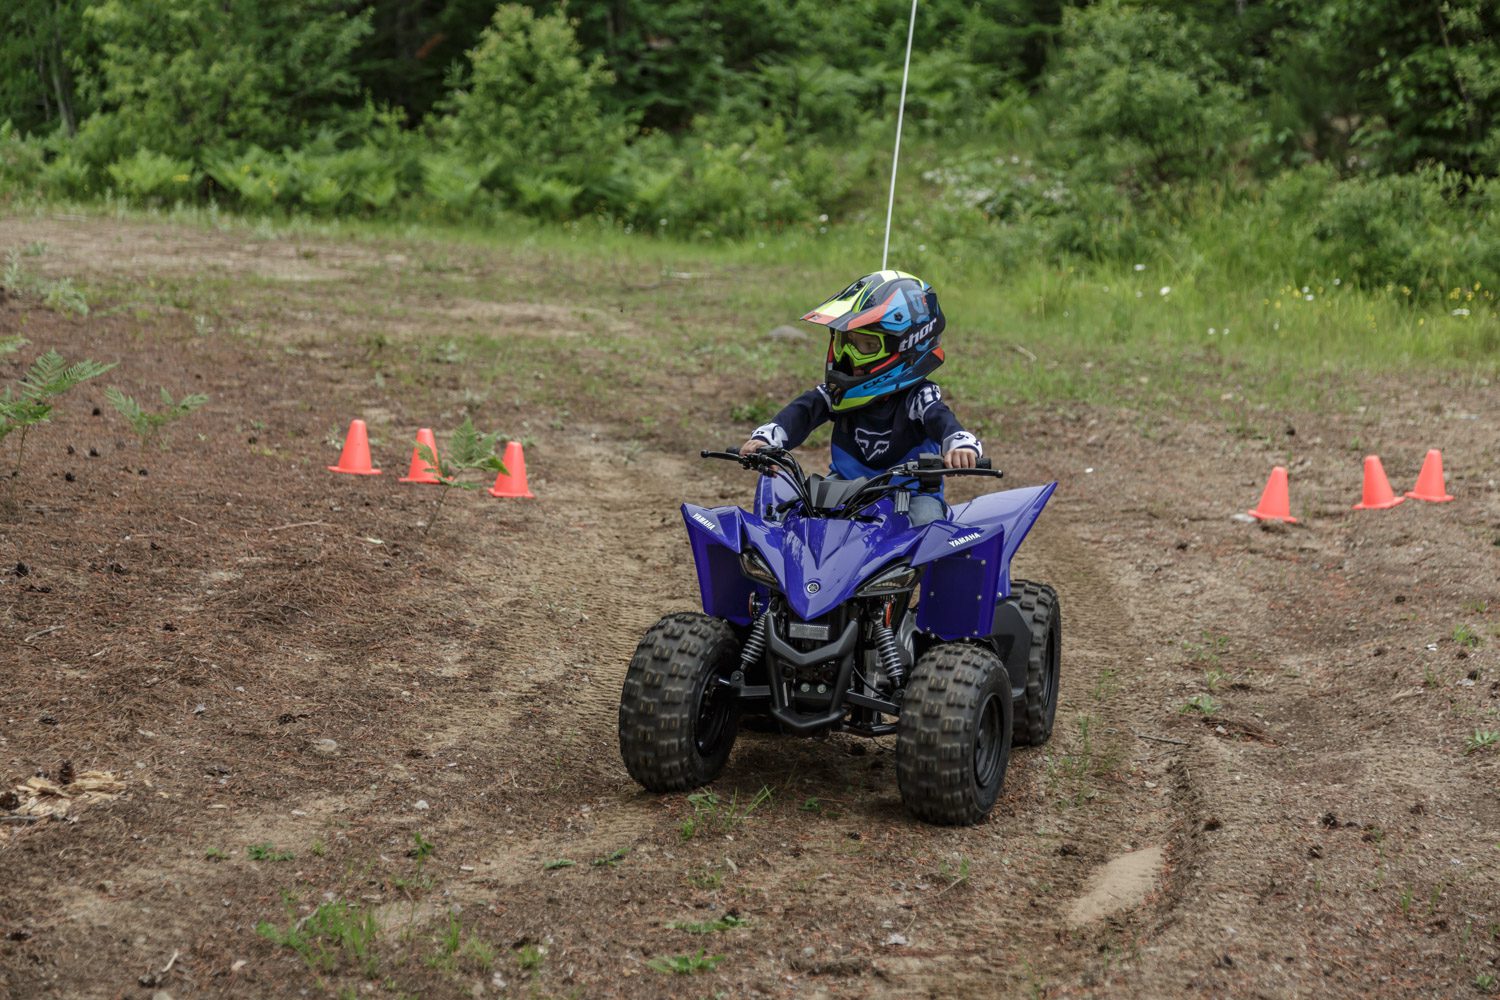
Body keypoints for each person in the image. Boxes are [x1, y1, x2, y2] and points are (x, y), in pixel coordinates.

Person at [739, 270, 982, 525]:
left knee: (928, 528)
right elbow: (804, 410)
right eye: (845, 342)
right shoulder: (838, 393)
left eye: (867, 346)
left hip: (911, 494)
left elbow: (939, 417)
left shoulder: (919, 396)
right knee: (800, 517)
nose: (848, 357)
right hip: (845, 487)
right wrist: (767, 438)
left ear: (907, 346)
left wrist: (959, 444)